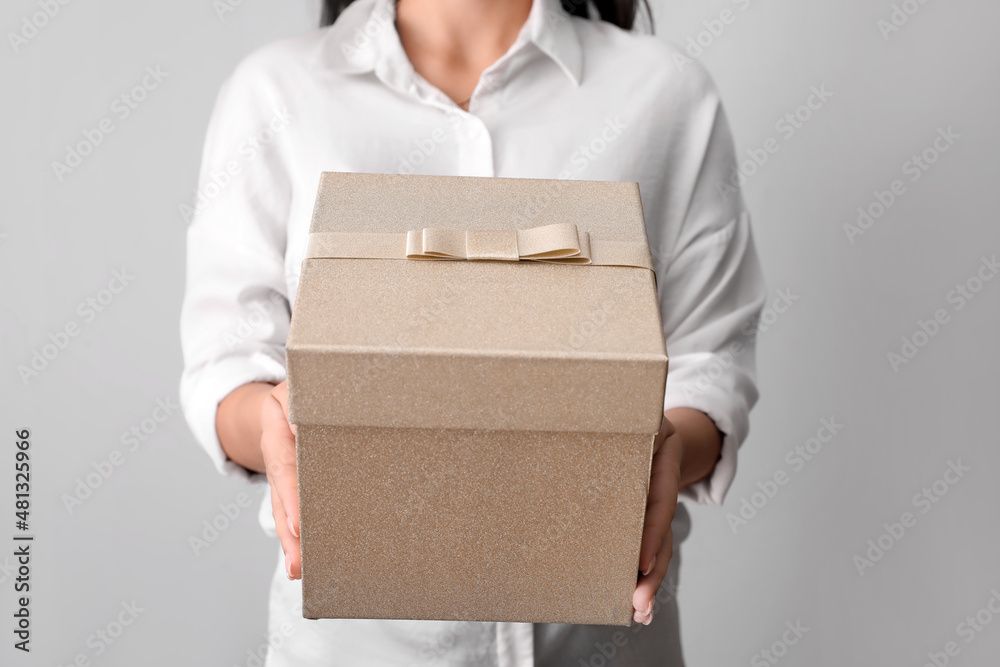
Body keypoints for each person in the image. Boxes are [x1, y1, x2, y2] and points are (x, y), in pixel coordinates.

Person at [179, 0, 766, 664]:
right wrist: (269, 419)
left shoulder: (664, 92)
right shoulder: (277, 93)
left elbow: (711, 361)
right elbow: (225, 361)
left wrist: (667, 447)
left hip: (602, 641)